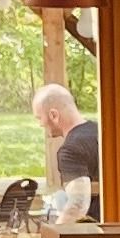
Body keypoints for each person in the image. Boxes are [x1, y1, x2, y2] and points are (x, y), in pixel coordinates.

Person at [34, 84, 100, 224]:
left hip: (96, 234)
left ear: (53, 115)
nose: (40, 124)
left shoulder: (70, 150)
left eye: (39, 118)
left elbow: (78, 205)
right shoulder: (100, 131)